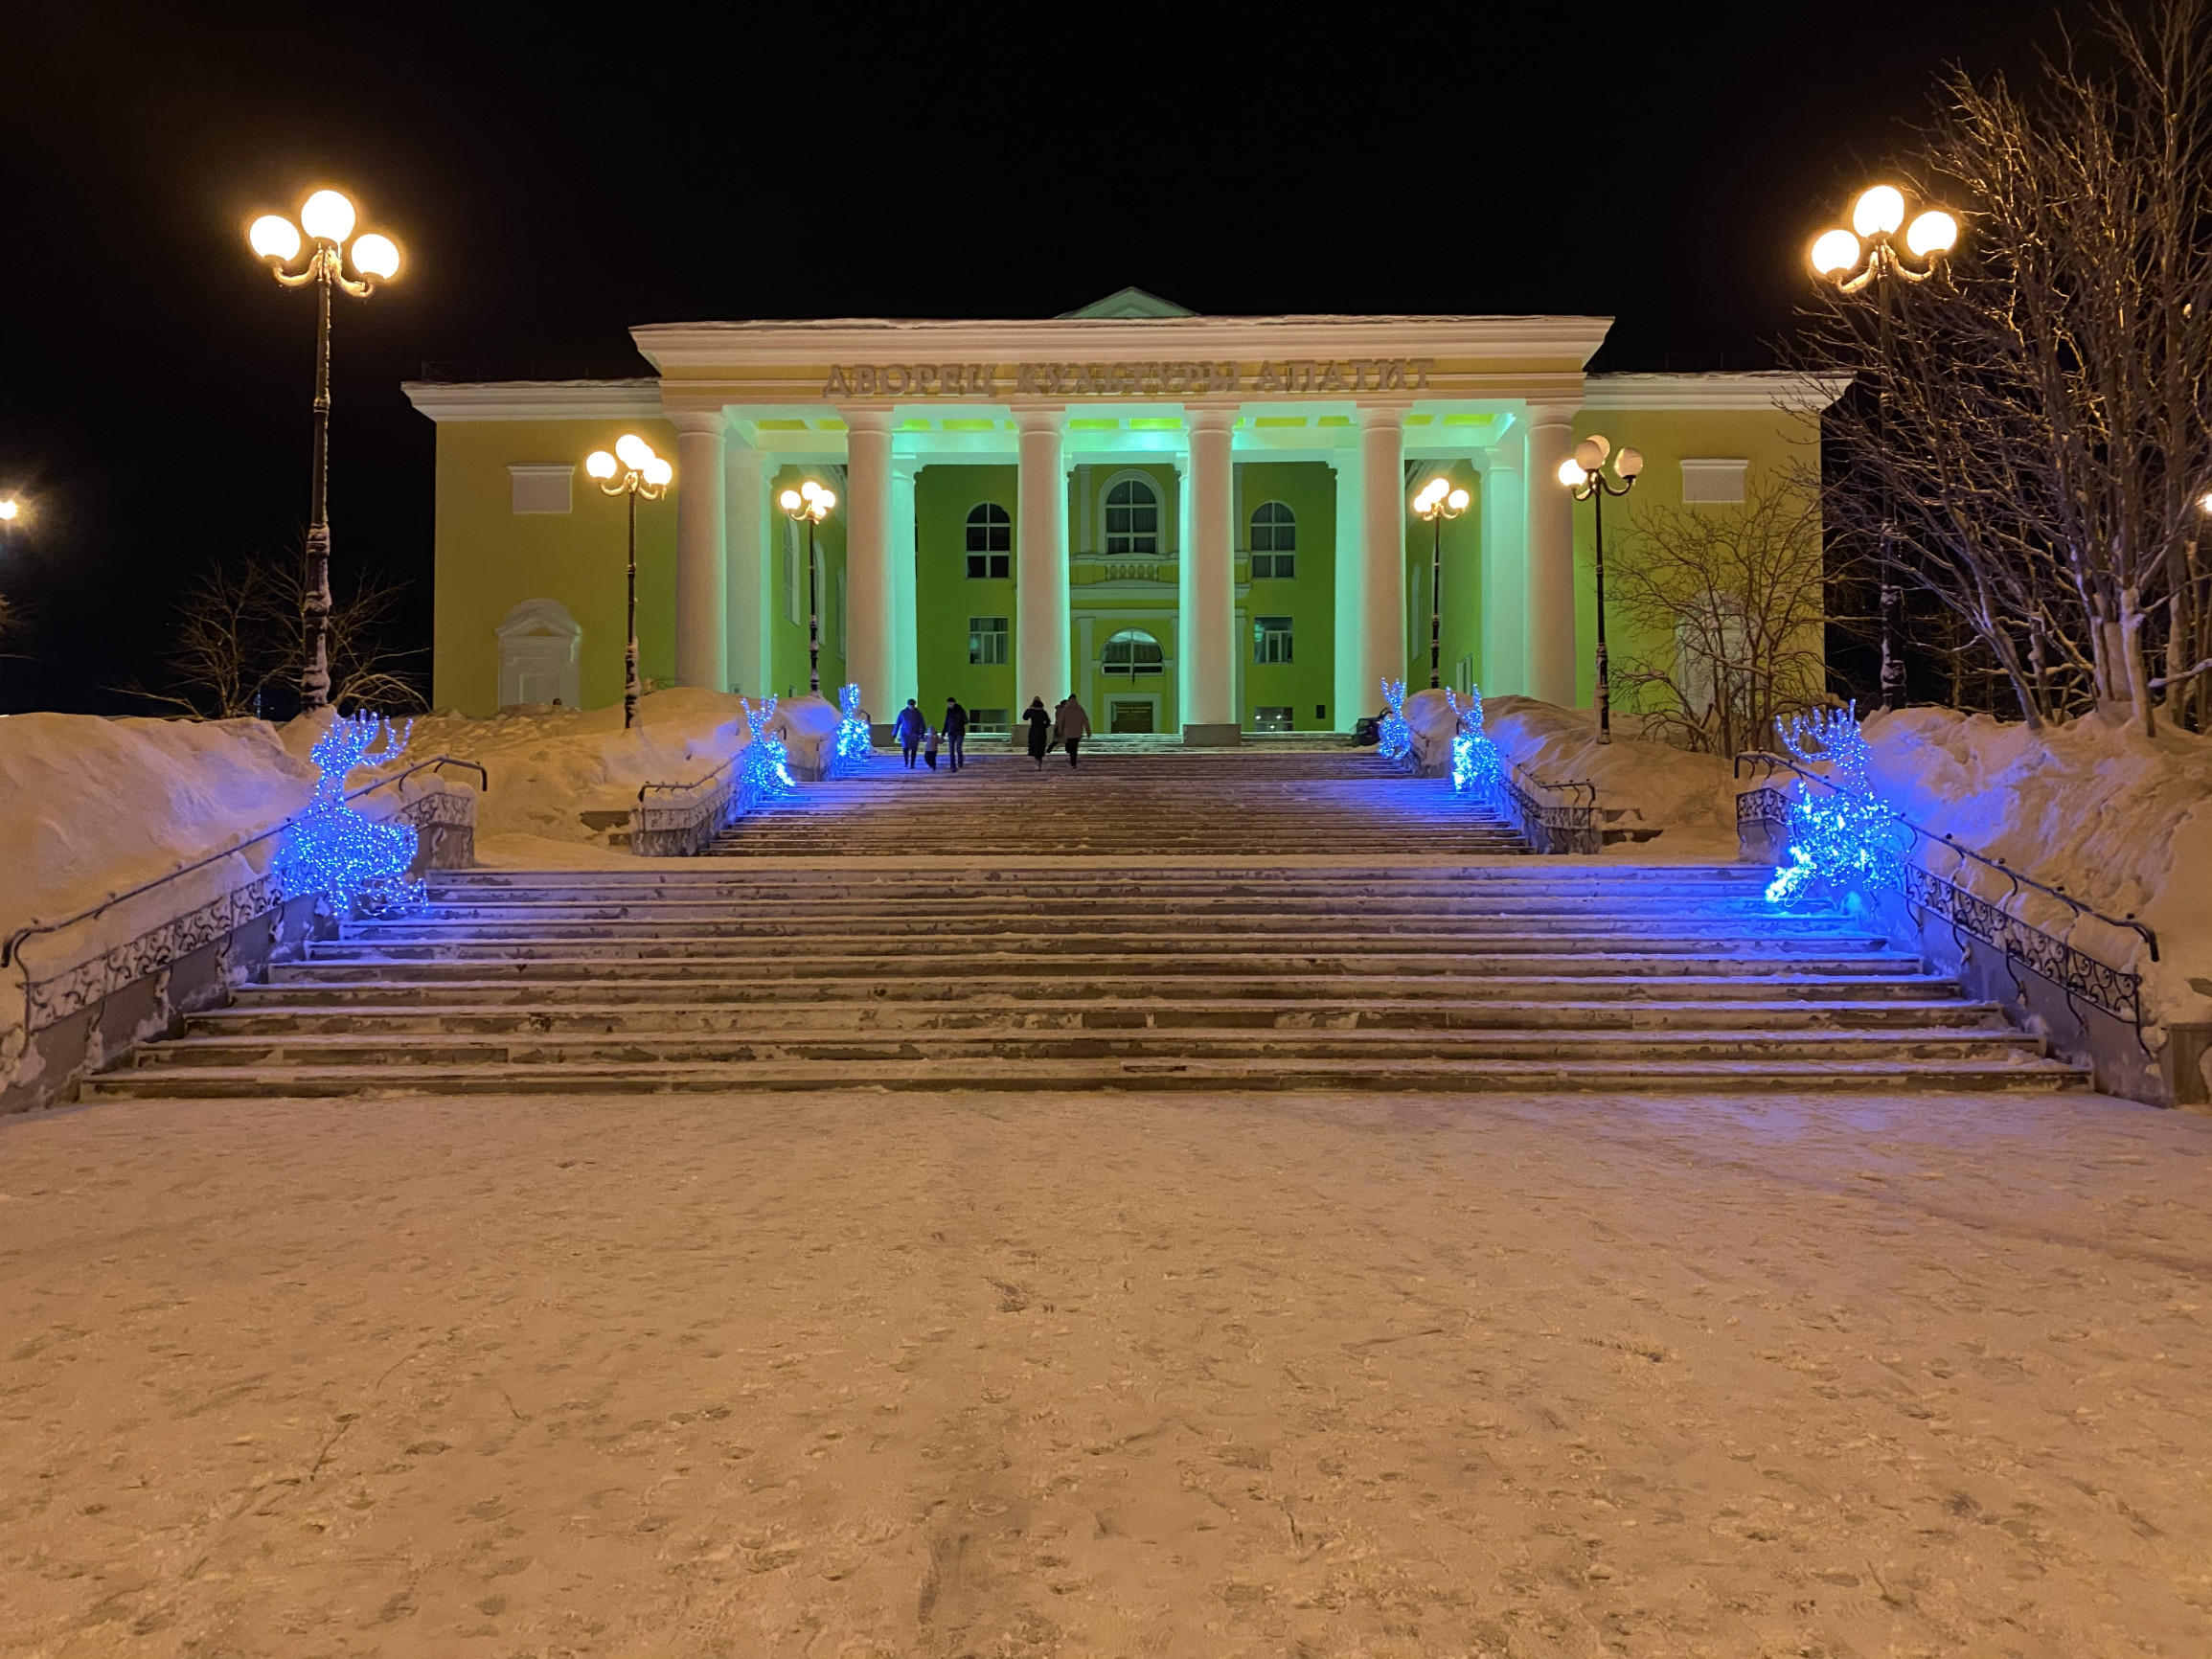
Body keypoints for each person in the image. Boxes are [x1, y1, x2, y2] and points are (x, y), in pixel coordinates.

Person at [1055, 693, 1092, 767]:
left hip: (1068, 732)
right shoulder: (1080, 709)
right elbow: (1085, 721)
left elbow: (1061, 721)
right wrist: (1088, 731)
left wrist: (1060, 730)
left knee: (1071, 746)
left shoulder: (1065, 710)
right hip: (1077, 732)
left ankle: (1073, 762)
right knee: (1075, 747)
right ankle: (1073, 762)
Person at [893, 698, 924, 768]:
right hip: (905, 734)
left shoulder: (918, 713)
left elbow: (922, 724)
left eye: (913, 705)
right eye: (910, 705)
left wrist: (921, 733)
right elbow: (898, 723)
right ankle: (906, 762)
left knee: (914, 749)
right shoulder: (903, 713)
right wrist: (894, 733)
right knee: (905, 748)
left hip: (915, 733)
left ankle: (912, 764)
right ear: (908, 705)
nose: (912, 707)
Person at [1022, 696, 1052, 768]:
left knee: (1034, 744)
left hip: (1034, 730)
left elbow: (1025, 718)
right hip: (1041, 730)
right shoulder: (1043, 712)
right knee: (1040, 745)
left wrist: (1029, 709)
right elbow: (1048, 721)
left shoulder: (1031, 711)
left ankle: (1036, 758)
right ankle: (1039, 759)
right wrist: (1044, 726)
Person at [943, 697, 968, 772]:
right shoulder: (948, 711)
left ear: (953, 703)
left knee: (958, 748)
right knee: (951, 750)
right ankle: (953, 766)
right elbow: (946, 723)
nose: (949, 704)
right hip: (951, 732)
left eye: (951, 703)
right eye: (948, 703)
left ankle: (960, 761)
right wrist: (943, 733)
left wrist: (958, 723)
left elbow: (966, 720)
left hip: (959, 732)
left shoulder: (960, 710)